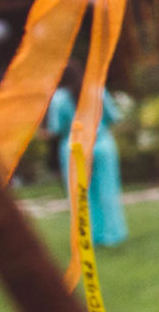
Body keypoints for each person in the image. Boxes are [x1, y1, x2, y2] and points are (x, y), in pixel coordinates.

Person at [46, 59, 128, 247]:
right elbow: (113, 116)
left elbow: (56, 128)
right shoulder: (97, 90)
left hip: (74, 147)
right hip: (102, 143)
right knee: (108, 190)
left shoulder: (59, 98)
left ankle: (89, 235)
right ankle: (113, 233)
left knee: (81, 194)